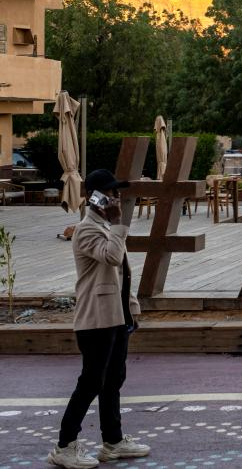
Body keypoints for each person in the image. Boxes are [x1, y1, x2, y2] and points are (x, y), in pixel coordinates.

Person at [48, 169, 151, 468]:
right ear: (93, 197)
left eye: (117, 191)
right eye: (110, 192)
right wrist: (118, 224)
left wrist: (132, 309)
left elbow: (122, 274)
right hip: (95, 319)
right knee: (91, 381)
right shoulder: (86, 230)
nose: (116, 197)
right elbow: (112, 257)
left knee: (114, 379)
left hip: (116, 316)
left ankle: (113, 441)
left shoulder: (107, 226)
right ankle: (64, 445)